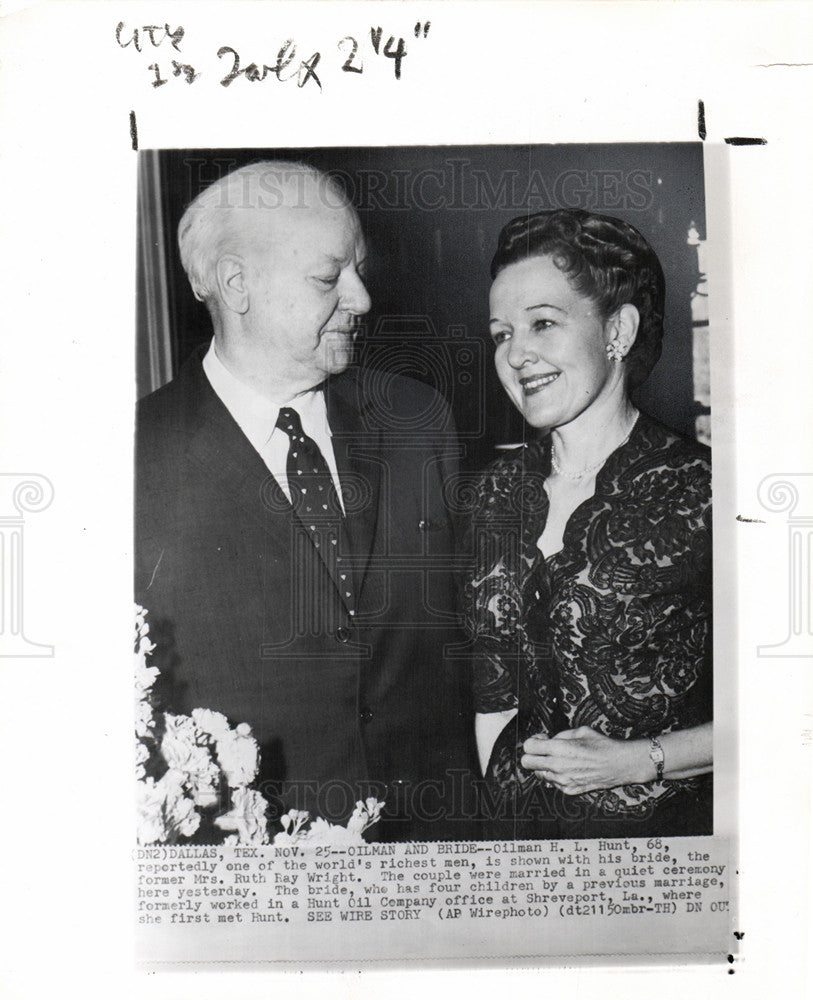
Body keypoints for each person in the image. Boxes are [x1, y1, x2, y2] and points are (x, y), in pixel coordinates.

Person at [135, 161, 476, 840]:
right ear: (237, 284)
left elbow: (454, 648)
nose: (361, 299)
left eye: (357, 271)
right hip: (256, 882)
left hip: (434, 850)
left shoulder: (418, 420)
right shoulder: (133, 456)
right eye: (328, 278)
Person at [467, 208, 712, 839]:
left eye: (542, 324)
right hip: (516, 853)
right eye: (500, 334)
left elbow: (792, 704)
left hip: (661, 853)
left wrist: (641, 760)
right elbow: (487, 697)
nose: (517, 355)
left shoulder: (707, 490)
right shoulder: (490, 492)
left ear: (619, 330)